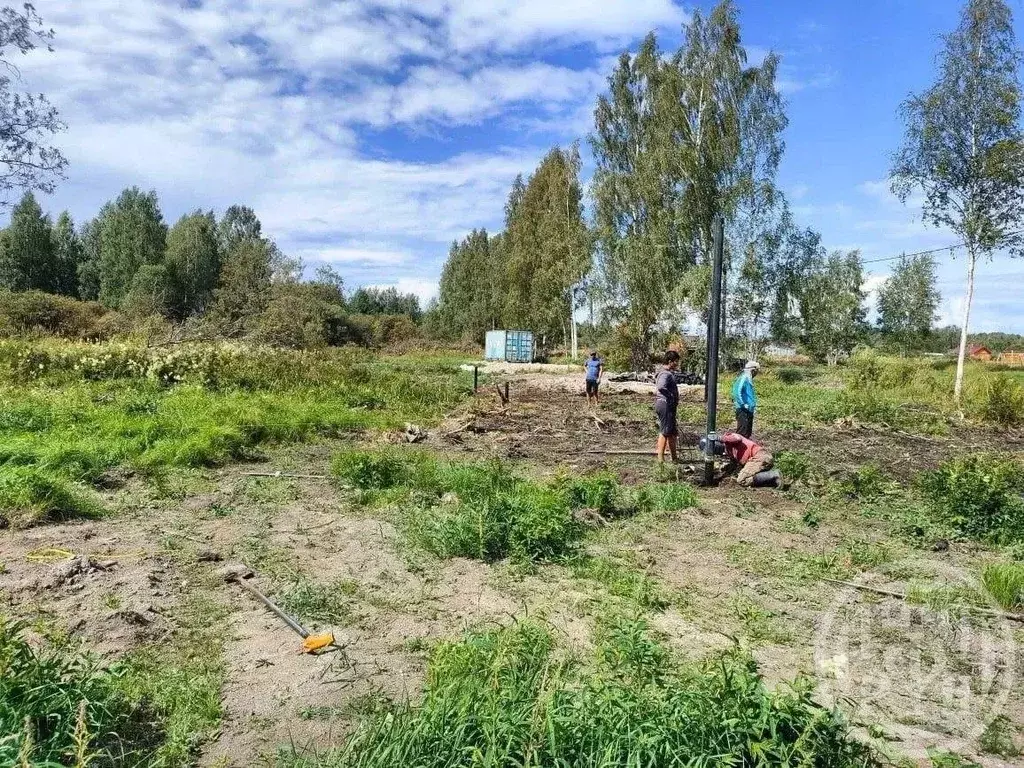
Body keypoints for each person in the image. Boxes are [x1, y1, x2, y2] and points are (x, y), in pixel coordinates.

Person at [654, 350, 680, 463]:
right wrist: (671, 396)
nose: (677, 364)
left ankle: (674, 458)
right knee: (665, 432)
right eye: (676, 362)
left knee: (672, 433)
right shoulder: (665, 373)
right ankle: (660, 460)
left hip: (668, 405)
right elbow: (661, 386)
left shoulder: (669, 373)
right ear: (670, 361)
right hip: (665, 404)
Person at [732, 360, 760, 438]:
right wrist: (743, 404)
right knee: (742, 432)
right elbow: (737, 392)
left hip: (749, 409)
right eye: (756, 371)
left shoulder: (749, 379)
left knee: (747, 432)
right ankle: (737, 449)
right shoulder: (744, 378)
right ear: (753, 370)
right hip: (743, 409)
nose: (756, 374)